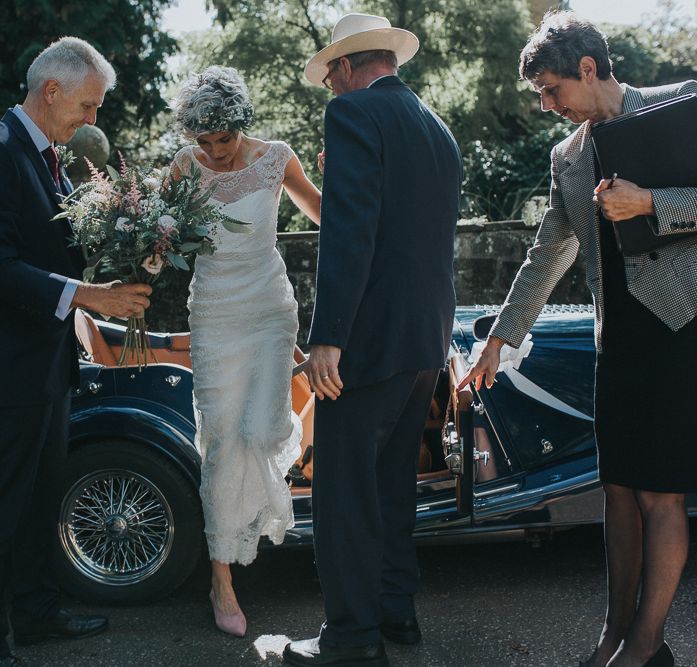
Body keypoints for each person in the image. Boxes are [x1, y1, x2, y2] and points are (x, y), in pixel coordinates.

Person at [458, 11, 697, 667]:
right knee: (616, 489)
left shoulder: (679, 108)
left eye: (551, 90)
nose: (546, 106)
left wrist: (647, 201)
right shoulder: (566, 156)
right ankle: (612, 636)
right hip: (615, 335)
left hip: (680, 330)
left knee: (659, 492)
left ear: (588, 70)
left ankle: (647, 645)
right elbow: (544, 256)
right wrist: (498, 341)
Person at [284, 13, 463, 667]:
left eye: (330, 73)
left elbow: (352, 232)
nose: (329, 86)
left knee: (342, 491)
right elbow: (407, 227)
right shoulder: (436, 129)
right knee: (392, 485)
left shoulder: (353, 116)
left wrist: (327, 335)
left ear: (350, 66)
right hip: (423, 340)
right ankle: (397, 613)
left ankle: (351, 637)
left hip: (367, 339)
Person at [0, 37, 153, 666]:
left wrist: (127, 253)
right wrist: (87, 294)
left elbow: (50, 254)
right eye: (89, 105)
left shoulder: (46, 157)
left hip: (46, 369)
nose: (92, 119)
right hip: (4, 372)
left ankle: (38, 614)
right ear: (52, 91)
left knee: (41, 499)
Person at [170, 66, 321, 638]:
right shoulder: (185, 167)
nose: (214, 152)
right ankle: (222, 578)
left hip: (267, 312)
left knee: (262, 433)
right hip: (212, 314)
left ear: (241, 126)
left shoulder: (277, 157)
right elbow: (152, 232)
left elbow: (326, 214)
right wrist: (140, 239)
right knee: (222, 440)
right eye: (204, 143)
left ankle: (248, 525)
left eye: (224, 140)